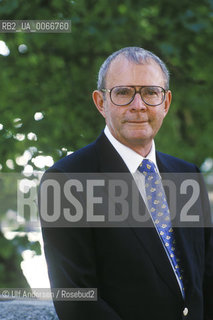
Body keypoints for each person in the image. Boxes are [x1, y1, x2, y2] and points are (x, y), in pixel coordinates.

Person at [39, 47, 213, 320]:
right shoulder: (66, 182)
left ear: (165, 103)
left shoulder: (187, 175)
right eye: (123, 92)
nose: (138, 105)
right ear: (100, 102)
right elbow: (76, 299)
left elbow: (206, 276)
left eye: (150, 92)